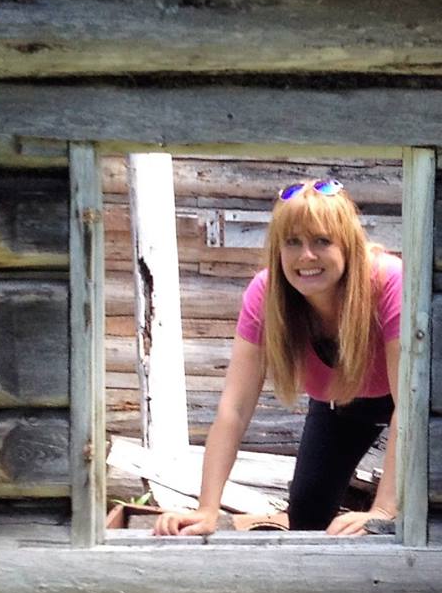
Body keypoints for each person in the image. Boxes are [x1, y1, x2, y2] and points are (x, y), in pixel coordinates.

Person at [155, 178, 402, 537]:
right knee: (307, 518)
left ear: (347, 245)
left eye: (321, 241)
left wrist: (383, 510)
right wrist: (207, 509)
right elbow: (234, 409)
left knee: (414, 515)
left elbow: (410, 405)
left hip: (408, 405)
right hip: (339, 408)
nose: (306, 256)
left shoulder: (389, 281)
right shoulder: (266, 294)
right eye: (293, 242)